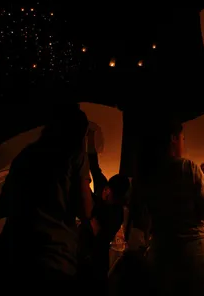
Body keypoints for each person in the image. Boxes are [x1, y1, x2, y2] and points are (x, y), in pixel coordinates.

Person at [0, 104, 93, 292]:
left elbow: (1, 209)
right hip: (54, 256)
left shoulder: (25, 156)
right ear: (79, 134)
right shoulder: (75, 156)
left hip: (14, 253)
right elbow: (85, 209)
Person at [142, 120, 204, 295]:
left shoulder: (147, 174)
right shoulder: (187, 167)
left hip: (161, 255)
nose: (183, 143)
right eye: (183, 138)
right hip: (193, 255)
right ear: (173, 138)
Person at [78, 125, 131, 294]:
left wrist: (90, 218)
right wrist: (90, 137)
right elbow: (93, 162)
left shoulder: (116, 213)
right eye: (106, 190)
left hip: (96, 257)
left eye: (111, 194)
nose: (106, 194)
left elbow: (99, 235)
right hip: (82, 249)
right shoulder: (102, 185)